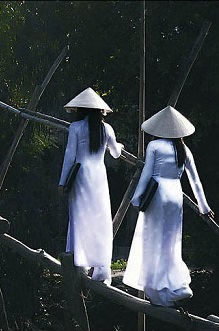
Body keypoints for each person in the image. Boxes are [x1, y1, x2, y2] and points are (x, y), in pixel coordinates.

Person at [122, 105, 214, 307]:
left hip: (158, 194)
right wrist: (204, 207)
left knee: (153, 239)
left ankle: (157, 290)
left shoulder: (155, 147)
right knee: (171, 240)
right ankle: (176, 285)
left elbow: (147, 174)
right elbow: (195, 181)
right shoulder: (184, 150)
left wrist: (136, 199)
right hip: (175, 194)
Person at [58, 87, 124, 285]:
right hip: (98, 175)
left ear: (81, 110)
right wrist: (119, 146)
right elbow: (115, 154)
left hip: (80, 175)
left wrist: (62, 182)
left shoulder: (75, 128)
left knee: (80, 216)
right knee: (100, 217)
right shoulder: (107, 129)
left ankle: (81, 261)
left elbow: (70, 156)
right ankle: (101, 268)